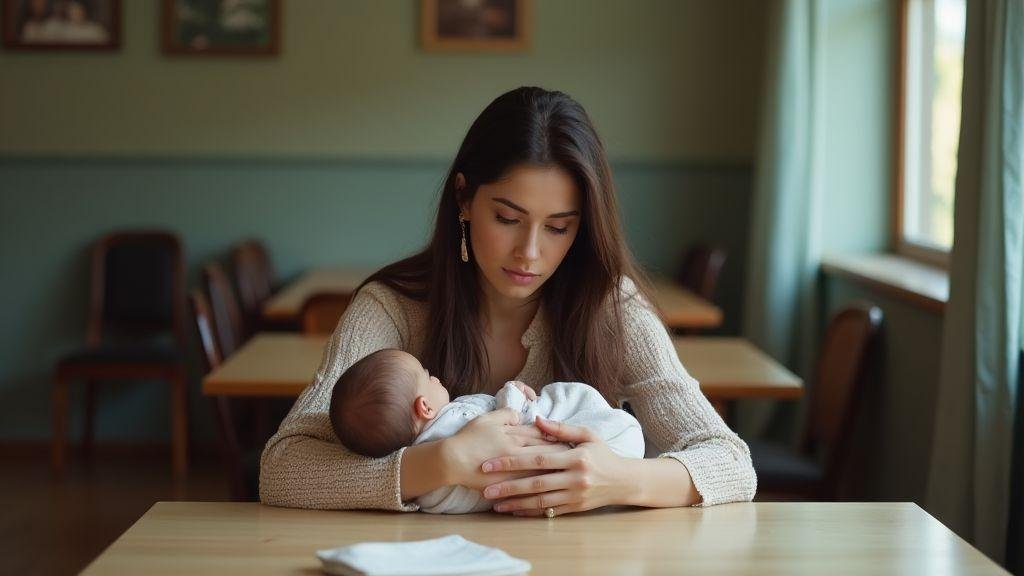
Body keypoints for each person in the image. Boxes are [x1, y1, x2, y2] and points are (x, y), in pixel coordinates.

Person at [260, 86, 756, 516]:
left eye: (559, 227)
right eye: (507, 218)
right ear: (463, 200)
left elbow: (731, 462)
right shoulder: (392, 306)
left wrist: (621, 478)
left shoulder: (609, 307)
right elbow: (283, 468)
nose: (531, 252)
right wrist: (443, 461)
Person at [328, 348, 645, 514]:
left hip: (543, 486)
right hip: (548, 432)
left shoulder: (427, 493)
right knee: (621, 428)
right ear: (424, 407)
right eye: (428, 375)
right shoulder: (453, 425)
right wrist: (513, 391)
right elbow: (505, 420)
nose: (436, 377)